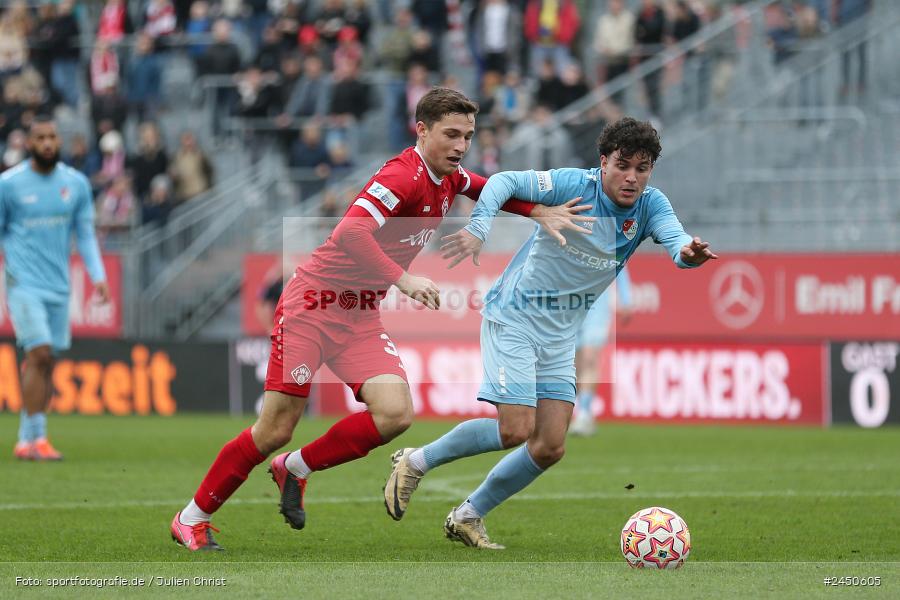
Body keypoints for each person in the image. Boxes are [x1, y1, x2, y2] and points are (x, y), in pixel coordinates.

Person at [169, 87, 591, 551]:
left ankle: (295, 468)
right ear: (422, 130)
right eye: (451, 134)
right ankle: (192, 518)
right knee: (274, 429)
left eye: (468, 136)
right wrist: (404, 280)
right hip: (313, 306)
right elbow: (350, 231)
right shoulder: (401, 176)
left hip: (357, 315)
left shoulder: (448, 176)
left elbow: (491, 188)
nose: (460, 146)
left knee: (395, 415)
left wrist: (538, 211)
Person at [383, 117, 717, 549]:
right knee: (515, 429)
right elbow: (502, 182)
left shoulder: (652, 206)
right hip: (515, 317)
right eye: (623, 165)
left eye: (643, 167)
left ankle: (468, 515)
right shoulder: (572, 184)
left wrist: (688, 255)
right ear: (603, 162)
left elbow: (677, 243)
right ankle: (416, 461)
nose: (632, 177)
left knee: (549, 447)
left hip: (562, 333)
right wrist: (481, 226)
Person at [1, 116, 110, 461]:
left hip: (59, 287)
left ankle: (31, 438)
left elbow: (86, 234)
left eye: (52, 137)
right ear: (29, 143)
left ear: (58, 142)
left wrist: (99, 276)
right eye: (40, 138)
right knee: (40, 354)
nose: (47, 143)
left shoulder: (75, 184)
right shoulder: (9, 184)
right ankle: (33, 439)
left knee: (46, 363)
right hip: (23, 284)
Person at [568, 266, 632, 437]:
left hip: (597, 308)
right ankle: (580, 412)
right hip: (570, 307)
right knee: (574, 364)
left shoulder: (608, 241)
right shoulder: (570, 239)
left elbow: (620, 265)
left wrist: (626, 299)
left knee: (590, 358)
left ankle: (583, 414)